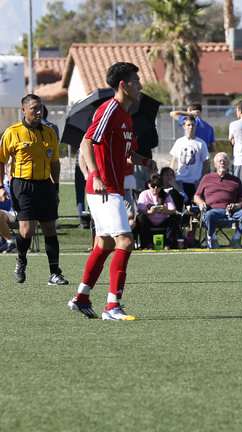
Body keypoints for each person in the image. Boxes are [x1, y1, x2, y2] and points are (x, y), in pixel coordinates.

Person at [68, 62, 158, 321]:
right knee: (126, 242)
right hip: (104, 188)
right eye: (136, 81)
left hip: (113, 188)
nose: (140, 85)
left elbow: (125, 153)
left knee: (105, 244)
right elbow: (87, 141)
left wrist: (144, 161)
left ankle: (82, 297)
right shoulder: (110, 109)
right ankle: (112, 307)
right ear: (123, 85)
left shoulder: (127, 115)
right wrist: (94, 175)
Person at [0, 94, 68, 285]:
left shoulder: (49, 132)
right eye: (34, 109)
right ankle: (21, 260)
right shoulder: (12, 132)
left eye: (40, 108)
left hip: (45, 185)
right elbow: (1, 161)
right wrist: (0, 186)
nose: (39, 112)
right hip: (22, 186)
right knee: (27, 229)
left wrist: (55, 188)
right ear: (24, 110)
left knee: (49, 228)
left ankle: (55, 273)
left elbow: (54, 161)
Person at [193, 152, 242, 249]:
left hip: (232, 211)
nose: (222, 163)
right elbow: (196, 196)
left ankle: (236, 238)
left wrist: (237, 205)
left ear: (228, 163)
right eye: (220, 161)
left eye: (225, 161)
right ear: (215, 164)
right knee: (208, 215)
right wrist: (201, 203)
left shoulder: (235, 180)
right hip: (213, 210)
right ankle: (213, 238)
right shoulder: (207, 178)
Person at [169, 115, 210, 204]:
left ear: (195, 126)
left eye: (192, 125)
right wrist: (171, 175)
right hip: (179, 180)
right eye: (188, 125)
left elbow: (206, 162)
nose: (190, 127)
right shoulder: (179, 142)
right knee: (178, 207)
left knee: (192, 208)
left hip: (194, 182)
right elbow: (174, 160)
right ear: (184, 126)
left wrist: (202, 177)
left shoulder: (201, 143)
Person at [136, 174, 179, 250]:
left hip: (163, 221)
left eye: (158, 186)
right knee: (140, 217)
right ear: (149, 185)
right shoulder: (144, 194)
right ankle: (147, 244)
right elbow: (141, 210)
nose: (155, 188)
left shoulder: (166, 195)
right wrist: (150, 212)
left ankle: (169, 244)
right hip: (149, 222)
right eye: (153, 185)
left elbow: (173, 211)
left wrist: (165, 210)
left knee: (174, 218)